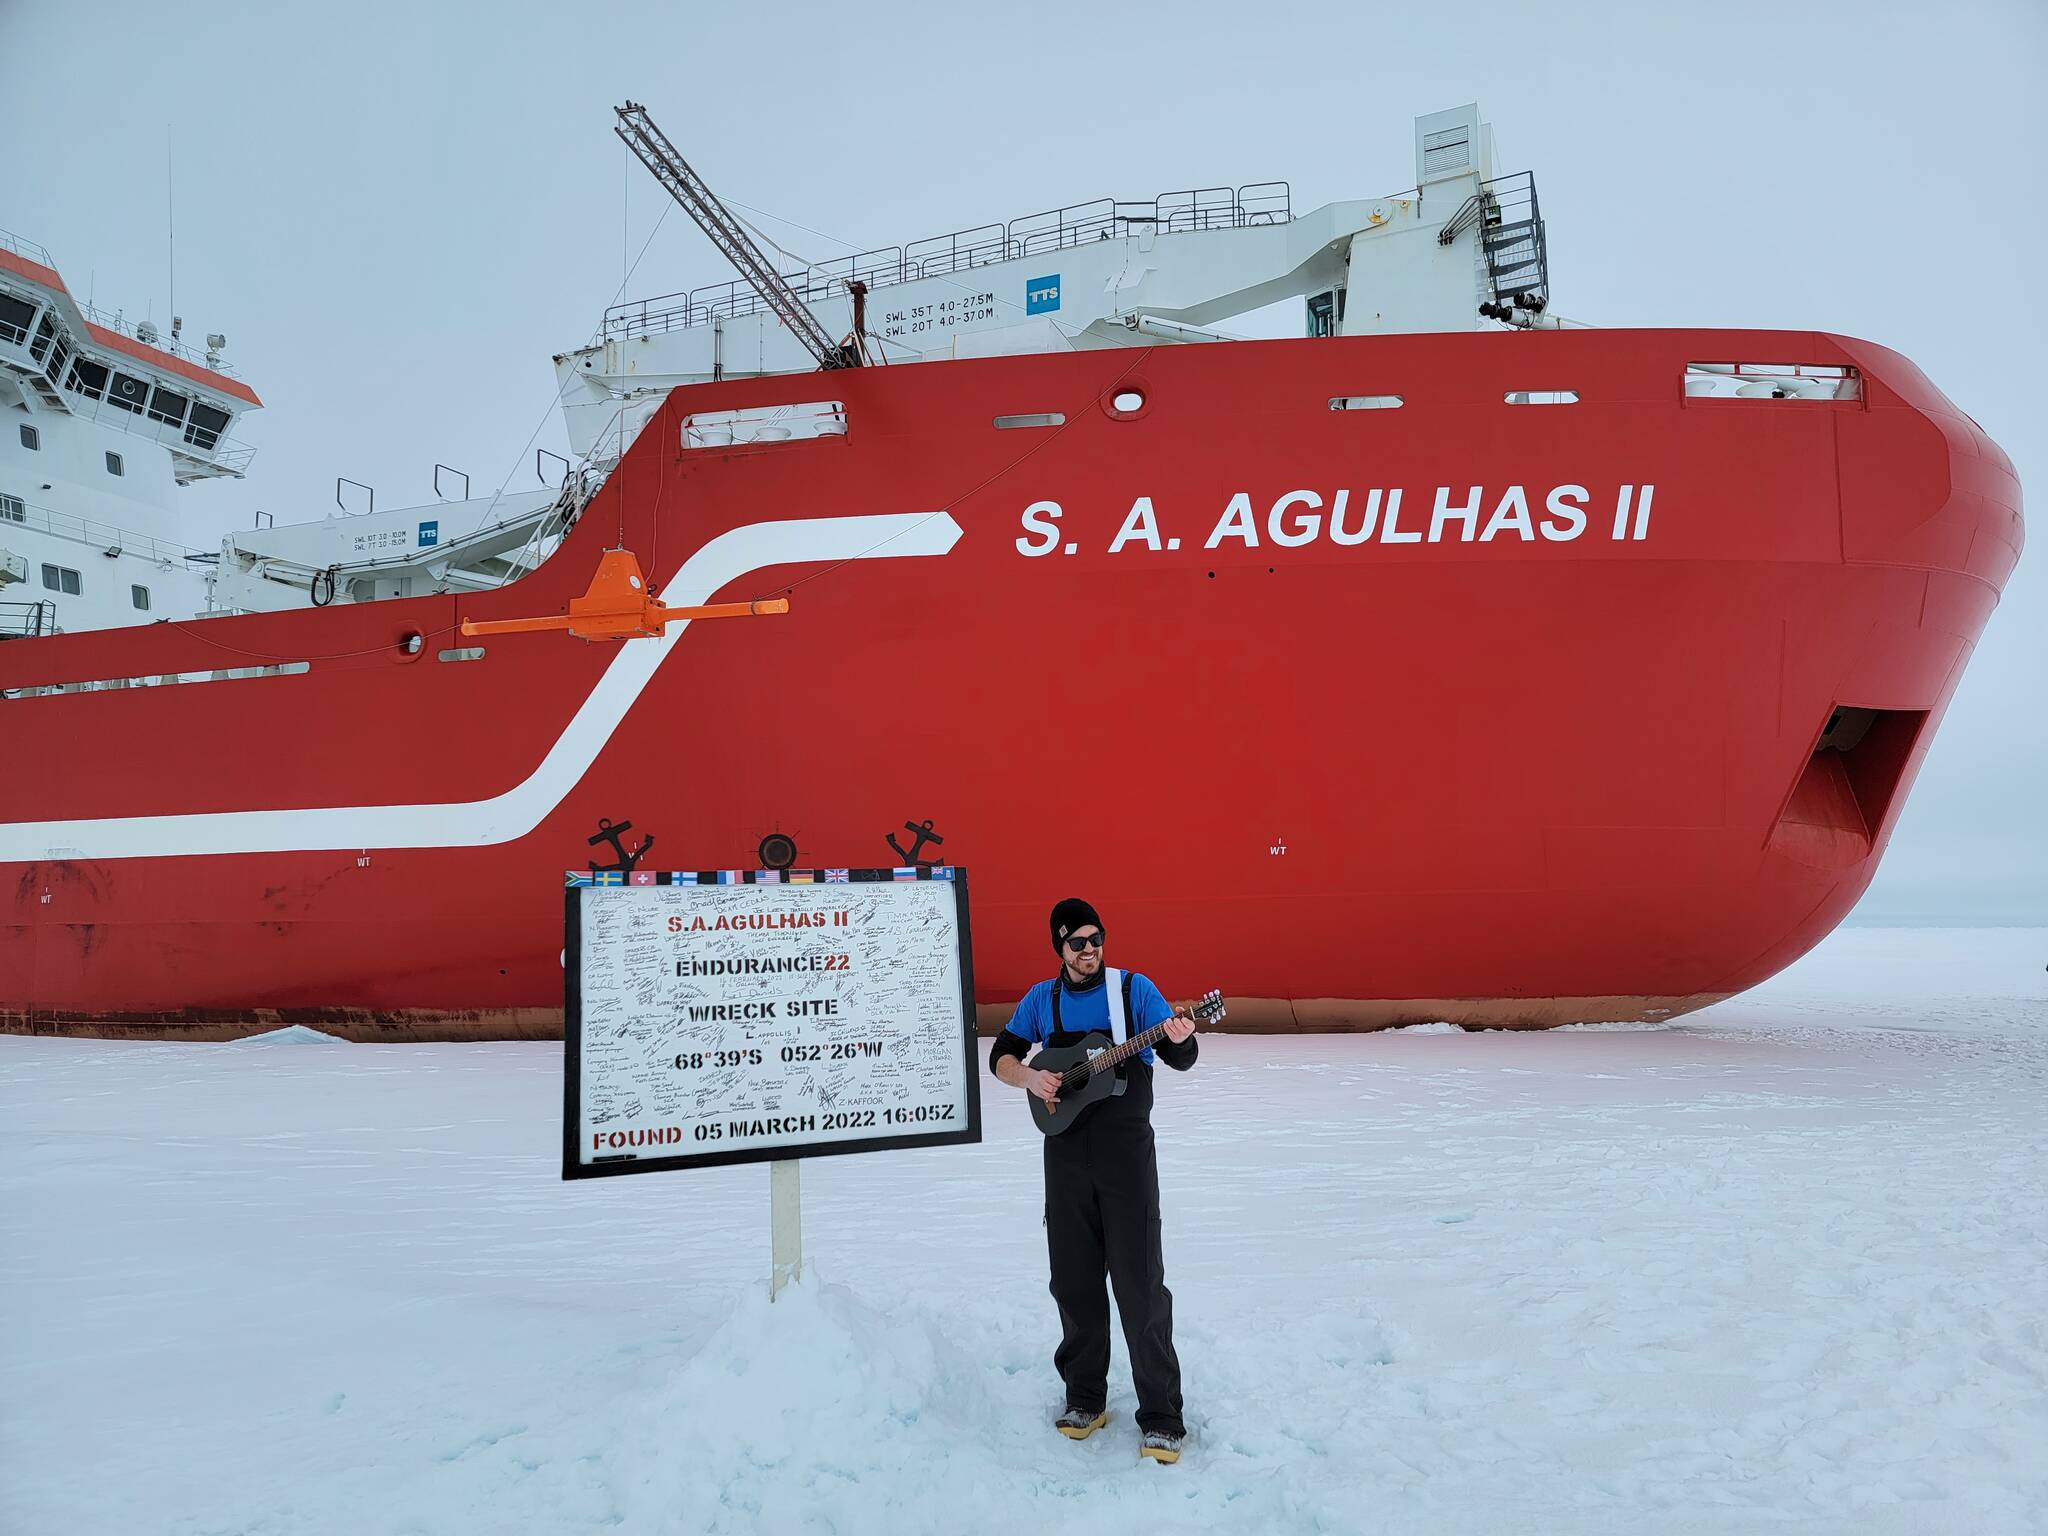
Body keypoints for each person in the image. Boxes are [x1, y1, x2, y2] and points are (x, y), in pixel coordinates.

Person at [988, 897, 1200, 1464]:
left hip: (1125, 1154)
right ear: (1059, 947)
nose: (1090, 950)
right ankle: (1085, 1397)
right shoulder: (1042, 999)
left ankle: (1160, 1414)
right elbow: (1001, 1056)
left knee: (1139, 1282)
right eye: (1077, 942)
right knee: (1075, 1280)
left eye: (1096, 939)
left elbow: (1182, 1057)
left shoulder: (1133, 991)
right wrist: (1031, 1077)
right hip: (1064, 1156)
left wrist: (1178, 1035)